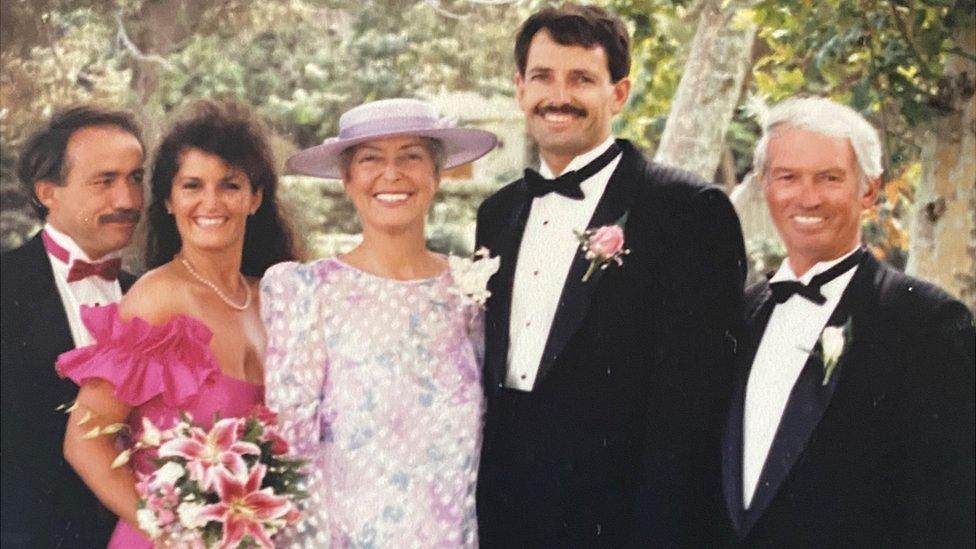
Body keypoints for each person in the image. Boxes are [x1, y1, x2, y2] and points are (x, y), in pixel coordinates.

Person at [475, 4, 747, 546]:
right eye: (543, 77)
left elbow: (698, 405)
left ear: (618, 94)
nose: (559, 96)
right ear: (519, 88)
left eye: (582, 79)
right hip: (507, 514)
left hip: (622, 520)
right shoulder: (498, 212)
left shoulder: (688, 210)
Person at [721, 96, 975, 546]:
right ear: (765, 186)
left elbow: (949, 509)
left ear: (869, 192)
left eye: (830, 178)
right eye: (788, 177)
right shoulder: (738, 317)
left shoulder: (927, 322)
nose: (807, 197)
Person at [56, 101, 298, 548]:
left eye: (230, 185)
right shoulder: (158, 298)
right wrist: (172, 533)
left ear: (255, 197)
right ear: (169, 200)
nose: (211, 202)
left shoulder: (276, 298)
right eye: (192, 185)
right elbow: (84, 443)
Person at [263, 97, 497, 546]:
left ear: (436, 175)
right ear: (348, 179)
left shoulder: (470, 289)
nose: (392, 174)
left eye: (411, 157)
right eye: (371, 159)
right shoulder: (308, 291)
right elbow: (290, 452)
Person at [0, 106, 145, 548]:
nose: (128, 199)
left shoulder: (151, 295)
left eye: (135, 177)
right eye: (105, 181)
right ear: (49, 192)